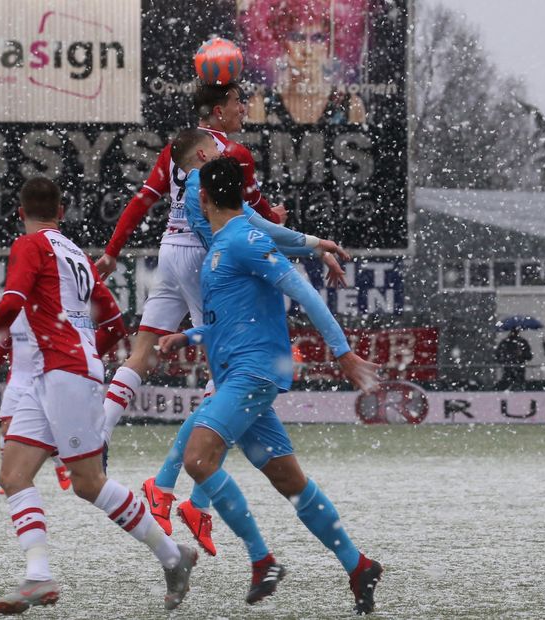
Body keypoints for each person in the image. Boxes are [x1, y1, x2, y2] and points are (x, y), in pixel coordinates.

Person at [94, 81, 348, 543]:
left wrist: (113, 252)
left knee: (142, 353)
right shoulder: (224, 155)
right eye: (237, 102)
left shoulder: (179, 147)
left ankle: (99, 437)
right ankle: (182, 494)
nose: (244, 109)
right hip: (204, 256)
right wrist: (300, 237)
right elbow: (248, 215)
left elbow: (142, 200)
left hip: (168, 250)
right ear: (217, 110)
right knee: (227, 375)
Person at [0, 177, 197, 614]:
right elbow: (113, 324)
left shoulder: (29, 245)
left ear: (19, 212)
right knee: (13, 476)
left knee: (89, 483)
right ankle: (38, 576)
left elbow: (11, 302)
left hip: (62, 372)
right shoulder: (76, 255)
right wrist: (85, 354)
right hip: (55, 373)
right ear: (61, 212)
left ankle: (174, 557)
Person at [158, 157, 383, 613]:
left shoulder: (242, 239)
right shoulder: (225, 245)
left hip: (252, 374)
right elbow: (230, 320)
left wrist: (343, 353)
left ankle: (262, 560)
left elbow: (303, 292)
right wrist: (190, 335)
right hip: (240, 374)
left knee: (198, 458)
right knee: (289, 481)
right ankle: (358, 564)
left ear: (202, 198)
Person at [241, 0, 369, 125]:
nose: (307, 50)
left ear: (330, 43)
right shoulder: (260, 105)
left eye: (318, 38)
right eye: (297, 38)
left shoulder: (350, 105)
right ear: (281, 41)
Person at [0, 333, 72, 494]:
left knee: (48, 427)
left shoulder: (45, 319)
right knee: (6, 428)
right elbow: (2, 348)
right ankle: (9, 474)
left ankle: (60, 465)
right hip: (16, 383)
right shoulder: (14, 318)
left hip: (41, 380)